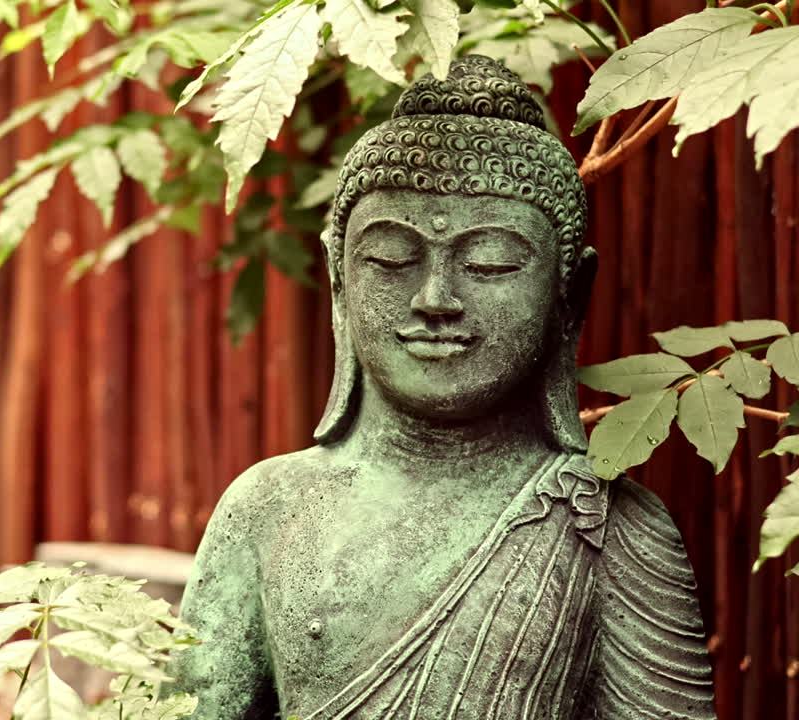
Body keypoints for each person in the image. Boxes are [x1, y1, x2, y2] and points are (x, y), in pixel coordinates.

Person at [169, 55, 716, 720]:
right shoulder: (269, 508)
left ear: (570, 297)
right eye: (391, 260)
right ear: (340, 280)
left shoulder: (607, 527)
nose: (435, 299)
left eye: (489, 263)